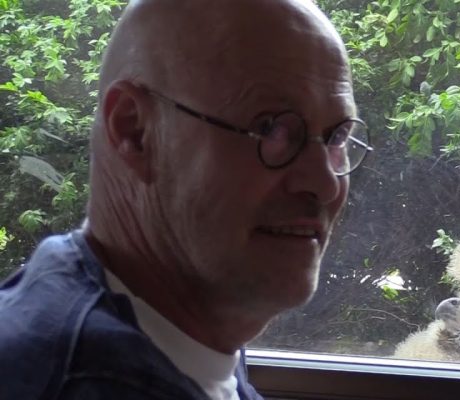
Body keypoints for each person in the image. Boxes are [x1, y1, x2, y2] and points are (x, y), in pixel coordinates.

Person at [0, 0, 371, 398]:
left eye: (336, 137)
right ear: (134, 131)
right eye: (270, 129)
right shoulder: (94, 383)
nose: (324, 183)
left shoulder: (179, 326)